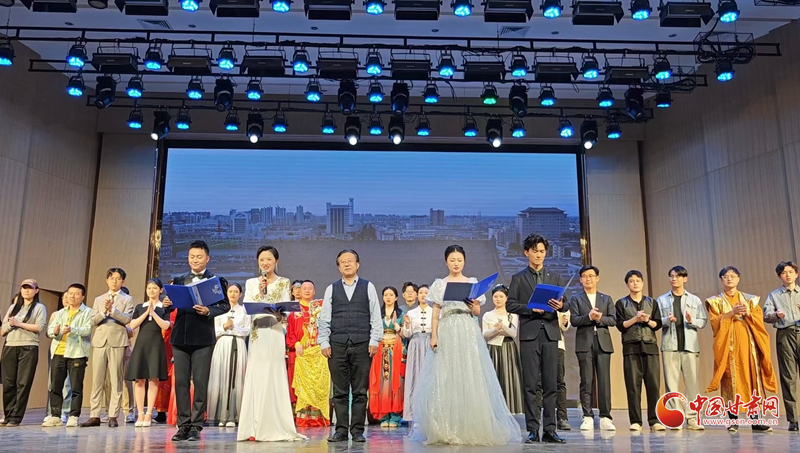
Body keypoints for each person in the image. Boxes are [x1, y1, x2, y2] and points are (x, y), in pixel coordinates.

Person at [411, 245, 520, 446]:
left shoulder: (472, 283)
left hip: (467, 329)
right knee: (446, 375)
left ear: (464, 261)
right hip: (447, 328)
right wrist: (434, 336)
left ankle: (470, 425)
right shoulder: (439, 284)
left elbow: (477, 312)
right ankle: (446, 426)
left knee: (469, 374)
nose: (456, 263)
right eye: (452, 260)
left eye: (459, 260)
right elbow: (435, 314)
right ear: (446, 262)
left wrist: (474, 305)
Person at [504, 234, 570, 443]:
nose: (539, 255)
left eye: (542, 251)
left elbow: (566, 303)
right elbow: (510, 304)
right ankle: (532, 429)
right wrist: (531, 309)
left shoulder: (555, 277)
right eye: (535, 251)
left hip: (550, 333)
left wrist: (561, 306)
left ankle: (550, 429)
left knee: (551, 384)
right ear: (526, 253)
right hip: (530, 335)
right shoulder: (518, 278)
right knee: (531, 384)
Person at [164, 240, 231, 442]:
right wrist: (167, 304)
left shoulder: (215, 281)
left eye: (199, 257)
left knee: (200, 383)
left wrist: (209, 310)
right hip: (180, 337)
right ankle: (183, 425)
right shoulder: (178, 280)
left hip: (202, 338)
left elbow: (225, 305)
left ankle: (196, 426)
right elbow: (169, 307)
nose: (195, 260)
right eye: (192, 256)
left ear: (207, 258)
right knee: (181, 383)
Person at [238, 245, 304, 442]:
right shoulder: (251, 283)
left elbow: (286, 309)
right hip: (258, 332)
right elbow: (248, 306)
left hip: (274, 332)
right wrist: (260, 293)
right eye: (261, 260)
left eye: (269, 259)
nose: (265, 263)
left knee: (273, 373)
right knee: (257, 374)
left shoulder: (284, 282)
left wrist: (280, 312)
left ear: (276, 261)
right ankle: (253, 426)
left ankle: (273, 424)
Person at [318, 249, 383, 443]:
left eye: (350, 261)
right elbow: (324, 319)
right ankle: (340, 430)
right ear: (338, 267)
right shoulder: (331, 289)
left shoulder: (368, 287)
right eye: (343, 262)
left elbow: (375, 316)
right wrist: (324, 341)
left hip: (362, 344)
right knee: (339, 391)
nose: (346, 264)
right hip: (337, 345)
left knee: (360, 391)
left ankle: (357, 431)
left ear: (357, 265)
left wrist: (374, 340)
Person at [706, 266, 777, 433]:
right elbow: (715, 324)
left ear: (738, 279)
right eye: (726, 276)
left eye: (733, 276)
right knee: (730, 380)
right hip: (729, 348)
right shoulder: (715, 301)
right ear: (721, 280)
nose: (729, 279)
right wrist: (730, 314)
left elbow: (758, 319)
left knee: (753, 380)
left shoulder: (750, 300)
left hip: (748, 346)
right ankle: (733, 421)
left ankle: (756, 421)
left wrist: (748, 314)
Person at [80, 268, 134, 428]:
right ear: (107, 280)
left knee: (116, 379)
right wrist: (104, 312)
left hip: (118, 340)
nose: (114, 281)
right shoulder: (99, 299)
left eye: (118, 278)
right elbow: (92, 321)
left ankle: (113, 415)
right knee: (97, 379)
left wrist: (113, 310)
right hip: (100, 341)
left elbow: (127, 319)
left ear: (123, 281)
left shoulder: (127, 299)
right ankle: (94, 415)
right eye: (111, 278)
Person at [656, 265, 707, 431]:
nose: (674, 279)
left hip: (690, 346)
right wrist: (666, 320)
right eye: (671, 276)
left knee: (692, 384)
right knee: (671, 384)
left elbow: (703, 321)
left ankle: (692, 418)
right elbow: (656, 322)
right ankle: (675, 417)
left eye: (678, 276)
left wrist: (692, 321)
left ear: (685, 279)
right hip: (669, 346)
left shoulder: (694, 300)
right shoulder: (662, 300)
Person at [615, 270, 664, 432]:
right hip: (631, 347)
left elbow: (658, 324)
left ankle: (654, 420)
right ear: (627, 284)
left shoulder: (652, 302)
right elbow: (621, 326)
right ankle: (636, 421)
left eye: (637, 280)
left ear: (642, 283)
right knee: (633, 386)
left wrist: (647, 320)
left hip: (650, 346)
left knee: (653, 385)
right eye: (631, 281)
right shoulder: (621, 303)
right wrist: (635, 319)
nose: (635, 283)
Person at [569, 265, 616, 431]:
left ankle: (605, 416)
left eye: (591, 276)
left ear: (597, 278)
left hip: (603, 343)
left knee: (604, 381)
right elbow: (574, 320)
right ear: (580, 280)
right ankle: (587, 415)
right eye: (584, 276)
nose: (588, 279)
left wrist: (600, 318)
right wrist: (589, 317)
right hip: (584, 343)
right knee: (586, 380)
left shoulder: (606, 299)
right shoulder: (576, 299)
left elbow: (613, 320)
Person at [42, 284, 92, 428]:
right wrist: (55, 331)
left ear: (82, 297)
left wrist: (72, 329)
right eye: (70, 293)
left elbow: (87, 330)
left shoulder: (88, 312)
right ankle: (55, 416)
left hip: (77, 353)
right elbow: (50, 330)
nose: (72, 296)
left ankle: (73, 416)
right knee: (55, 386)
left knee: (76, 387)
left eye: (76, 294)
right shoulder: (61, 312)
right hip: (58, 351)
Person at [0, 279, 46, 426]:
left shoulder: (39, 307)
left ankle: (16, 417)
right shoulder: (13, 307)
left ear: (36, 290)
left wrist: (18, 324)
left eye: (30, 288)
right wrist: (11, 324)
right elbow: (3, 330)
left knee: (23, 383)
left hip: (29, 347)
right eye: (24, 288)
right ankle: (8, 415)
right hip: (10, 346)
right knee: (8, 383)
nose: (26, 290)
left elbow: (39, 327)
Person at [125, 279, 171, 428]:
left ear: (161, 290)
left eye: (155, 288)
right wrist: (146, 313)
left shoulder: (164, 308)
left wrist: (153, 313)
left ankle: (149, 413)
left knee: (153, 379)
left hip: (156, 345)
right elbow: (132, 325)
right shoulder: (140, 307)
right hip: (142, 345)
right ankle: (140, 413)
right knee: (139, 380)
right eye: (149, 288)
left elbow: (166, 325)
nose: (151, 290)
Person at [287, 280, 330, 427]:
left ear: (314, 291)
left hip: (319, 354)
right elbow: (290, 333)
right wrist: (297, 344)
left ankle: (319, 418)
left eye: (309, 288)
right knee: (303, 388)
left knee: (319, 385)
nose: (306, 291)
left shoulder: (320, 309)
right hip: (302, 355)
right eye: (304, 288)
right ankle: (303, 418)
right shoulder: (294, 311)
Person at [764, 261, 800, 431]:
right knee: (788, 377)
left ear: (796, 274)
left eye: (791, 272)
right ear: (780, 276)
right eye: (784, 272)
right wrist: (775, 314)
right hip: (785, 334)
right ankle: (793, 420)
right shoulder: (774, 295)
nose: (788, 275)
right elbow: (766, 315)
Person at [208, 283, 249, 428]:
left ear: (240, 294)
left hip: (238, 344)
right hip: (223, 344)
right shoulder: (220, 311)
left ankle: (233, 415)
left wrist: (234, 327)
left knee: (236, 379)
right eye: (230, 291)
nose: (233, 294)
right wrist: (224, 327)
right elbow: (214, 331)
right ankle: (221, 415)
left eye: (236, 291)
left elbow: (247, 330)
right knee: (221, 377)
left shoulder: (244, 311)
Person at [482, 285, 524, 416]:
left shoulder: (512, 314)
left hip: (508, 348)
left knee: (509, 377)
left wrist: (503, 327)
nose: (498, 299)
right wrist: (496, 330)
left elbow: (513, 333)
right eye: (495, 296)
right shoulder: (487, 315)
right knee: (494, 378)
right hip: (493, 348)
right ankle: (494, 409)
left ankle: (510, 408)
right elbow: (484, 334)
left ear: (506, 298)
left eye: (501, 296)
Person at [369, 286, 405, 428]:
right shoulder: (377, 315)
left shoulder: (402, 314)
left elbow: (405, 334)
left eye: (391, 295)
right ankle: (384, 415)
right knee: (382, 382)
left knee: (396, 382)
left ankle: (395, 416)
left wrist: (399, 328)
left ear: (396, 298)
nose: (388, 297)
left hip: (396, 351)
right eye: (386, 295)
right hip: (380, 351)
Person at [400, 283, 431, 422]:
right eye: (421, 293)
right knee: (415, 376)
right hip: (416, 344)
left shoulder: (435, 312)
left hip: (430, 344)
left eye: (426, 293)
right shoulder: (411, 313)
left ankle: (430, 413)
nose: (423, 295)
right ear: (417, 296)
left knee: (430, 377)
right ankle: (414, 414)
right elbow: (407, 334)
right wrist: (407, 324)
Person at [43, 294, 72, 426]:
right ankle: (52, 412)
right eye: (64, 297)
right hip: (55, 350)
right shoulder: (56, 314)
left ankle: (64, 411)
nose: (66, 299)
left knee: (67, 384)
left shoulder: (77, 314)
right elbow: (48, 333)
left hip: (70, 351)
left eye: (69, 297)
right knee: (53, 382)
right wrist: (54, 331)